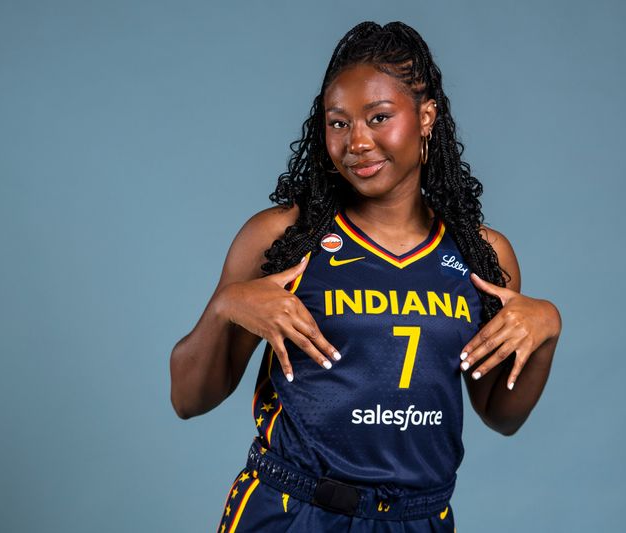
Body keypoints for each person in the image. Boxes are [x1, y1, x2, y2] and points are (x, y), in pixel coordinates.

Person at [170, 21, 561, 532]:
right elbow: (188, 399)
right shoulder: (286, 237)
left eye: (379, 117)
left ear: (426, 116)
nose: (356, 142)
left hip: (417, 518)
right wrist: (227, 307)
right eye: (338, 123)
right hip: (293, 511)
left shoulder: (481, 254)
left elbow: (501, 414)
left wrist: (547, 327)